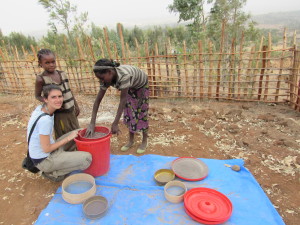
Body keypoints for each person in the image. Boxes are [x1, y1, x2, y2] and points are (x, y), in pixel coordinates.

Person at [27, 84, 92, 182]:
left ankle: (63, 159)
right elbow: (46, 149)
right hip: (44, 160)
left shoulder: (41, 109)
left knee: (78, 132)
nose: (58, 100)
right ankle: (53, 173)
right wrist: (68, 138)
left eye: (60, 96)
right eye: (53, 97)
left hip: (47, 151)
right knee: (87, 158)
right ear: (45, 99)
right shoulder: (45, 120)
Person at [85, 59, 149, 154]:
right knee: (129, 112)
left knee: (141, 113)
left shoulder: (124, 76)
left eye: (102, 78)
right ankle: (131, 141)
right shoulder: (105, 79)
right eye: (99, 79)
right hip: (130, 85)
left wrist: (115, 123)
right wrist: (92, 123)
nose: (101, 81)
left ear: (110, 72)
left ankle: (144, 141)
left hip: (141, 85)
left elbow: (122, 100)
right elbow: (97, 101)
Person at [35, 49, 80, 151]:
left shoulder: (62, 74)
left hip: (70, 109)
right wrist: (53, 103)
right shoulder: (41, 79)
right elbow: (38, 96)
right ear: (40, 63)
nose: (51, 65)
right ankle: (66, 153)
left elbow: (69, 91)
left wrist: (76, 105)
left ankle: (77, 150)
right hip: (59, 114)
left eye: (53, 62)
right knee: (63, 133)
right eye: (47, 63)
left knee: (76, 130)